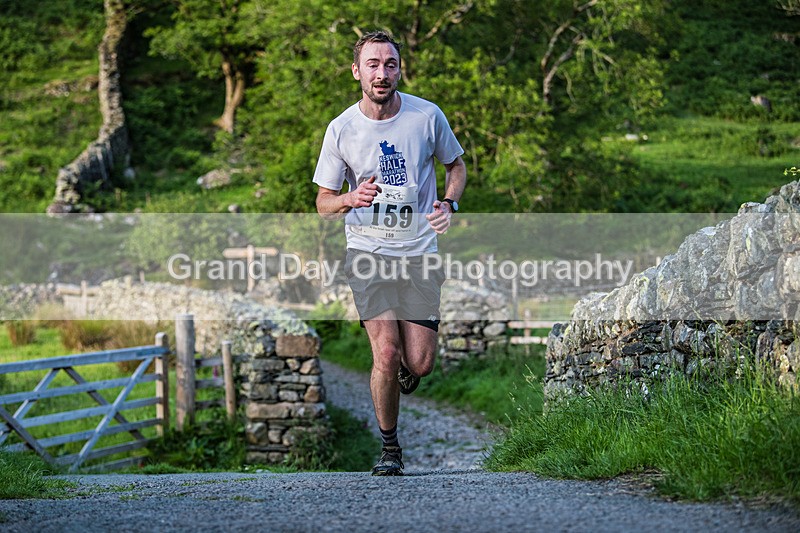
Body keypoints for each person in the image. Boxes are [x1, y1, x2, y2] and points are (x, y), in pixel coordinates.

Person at [312, 30, 466, 476]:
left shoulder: (426, 116)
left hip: (419, 251)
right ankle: (390, 449)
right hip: (367, 252)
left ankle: (405, 370)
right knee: (385, 352)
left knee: (419, 362)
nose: (382, 73)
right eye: (373, 65)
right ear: (357, 71)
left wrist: (448, 202)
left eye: (390, 64)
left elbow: (455, 164)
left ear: (399, 69)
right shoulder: (341, 129)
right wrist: (348, 199)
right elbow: (323, 201)